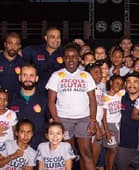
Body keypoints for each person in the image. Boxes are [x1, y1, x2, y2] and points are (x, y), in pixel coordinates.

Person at [46, 42, 97, 170]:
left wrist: (92, 121)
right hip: (63, 120)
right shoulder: (56, 76)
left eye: (74, 56)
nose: (71, 59)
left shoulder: (86, 76)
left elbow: (92, 100)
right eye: (67, 56)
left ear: (79, 58)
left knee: (86, 153)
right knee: (67, 154)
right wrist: (57, 121)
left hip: (84, 119)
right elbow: (51, 101)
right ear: (63, 58)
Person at [9, 64, 50, 150]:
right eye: (25, 75)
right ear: (20, 78)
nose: (28, 79)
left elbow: (51, 121)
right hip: (16, 146)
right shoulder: (10, 98)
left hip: (39, 145)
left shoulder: (44, 99)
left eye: (31, 75)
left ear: (36, 78)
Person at [22, 27, 64, 94]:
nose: (56, 40)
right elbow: (18, 52)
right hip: (38, 93)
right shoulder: (35, 50)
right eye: (52, 37)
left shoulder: (65, 53)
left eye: (58, 37)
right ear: (46, 38)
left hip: (58, 93)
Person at [116, 71, 139, 170]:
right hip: (123, 145)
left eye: (135, 82)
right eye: (129, 82)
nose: (132, 85)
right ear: (125, 84)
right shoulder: (119, 98)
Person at [102, 75, 124, 170]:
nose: (118, 86)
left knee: (111, 150)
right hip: (109, 126)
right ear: (111, 82)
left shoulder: (120, 94)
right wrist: (106, 131)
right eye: (116, 83)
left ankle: (108, 167)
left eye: (120, 84)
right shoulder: (104, 97)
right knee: (113, 149)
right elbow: (103, 116)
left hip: (118, 125)